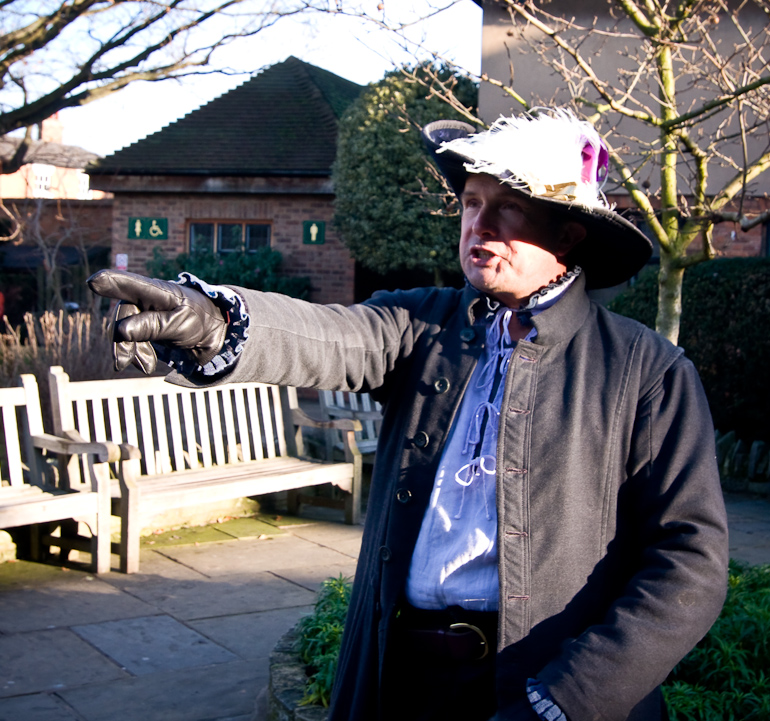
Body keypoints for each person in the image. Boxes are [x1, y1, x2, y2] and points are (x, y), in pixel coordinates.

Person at [88, 109, 729, 721]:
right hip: (401, 681)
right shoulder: (420, 325)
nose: (479, 225)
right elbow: (326, 335)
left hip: (543, 687)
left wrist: (571, 697)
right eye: (473, 203)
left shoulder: (648, 370)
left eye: (508, 208)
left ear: (568, 235)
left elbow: (691, 560)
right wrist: (212, 322)